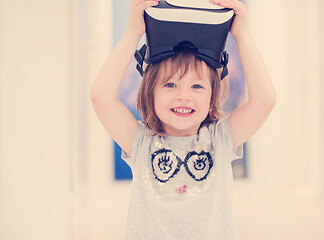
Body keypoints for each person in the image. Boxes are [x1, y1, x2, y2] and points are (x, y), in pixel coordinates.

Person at [90, 0, 276, 239]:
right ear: (150, 93)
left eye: (197, 86)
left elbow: (265, 101)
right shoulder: (141, 142)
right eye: (170, 84)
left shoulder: (220, 139)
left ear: (212, 99)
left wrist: (242, 35)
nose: (184, 96)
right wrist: (133, 32)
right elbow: (101, 97)